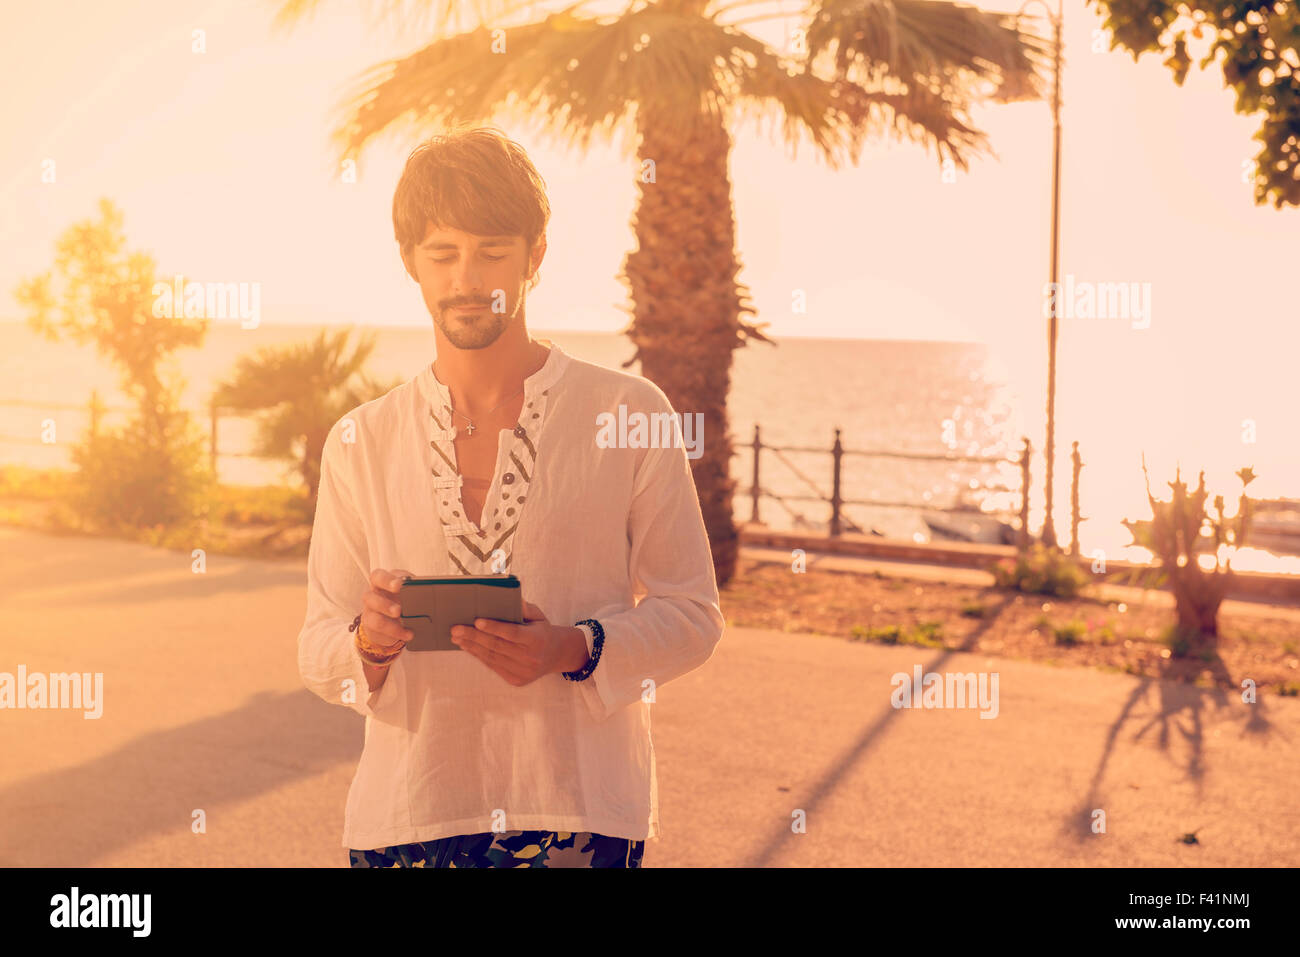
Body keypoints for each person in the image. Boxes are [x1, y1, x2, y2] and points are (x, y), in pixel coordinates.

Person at [297, 126, 725, 868]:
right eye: (442, 253)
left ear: (535, 257)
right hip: (408, 817)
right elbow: (317, 646)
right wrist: (366, 643)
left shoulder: (629, 411)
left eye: (492, 250)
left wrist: (573, 647)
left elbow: (693, 615)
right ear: (411, 264)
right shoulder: (360, 439)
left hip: (578, 817)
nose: (468, 277)